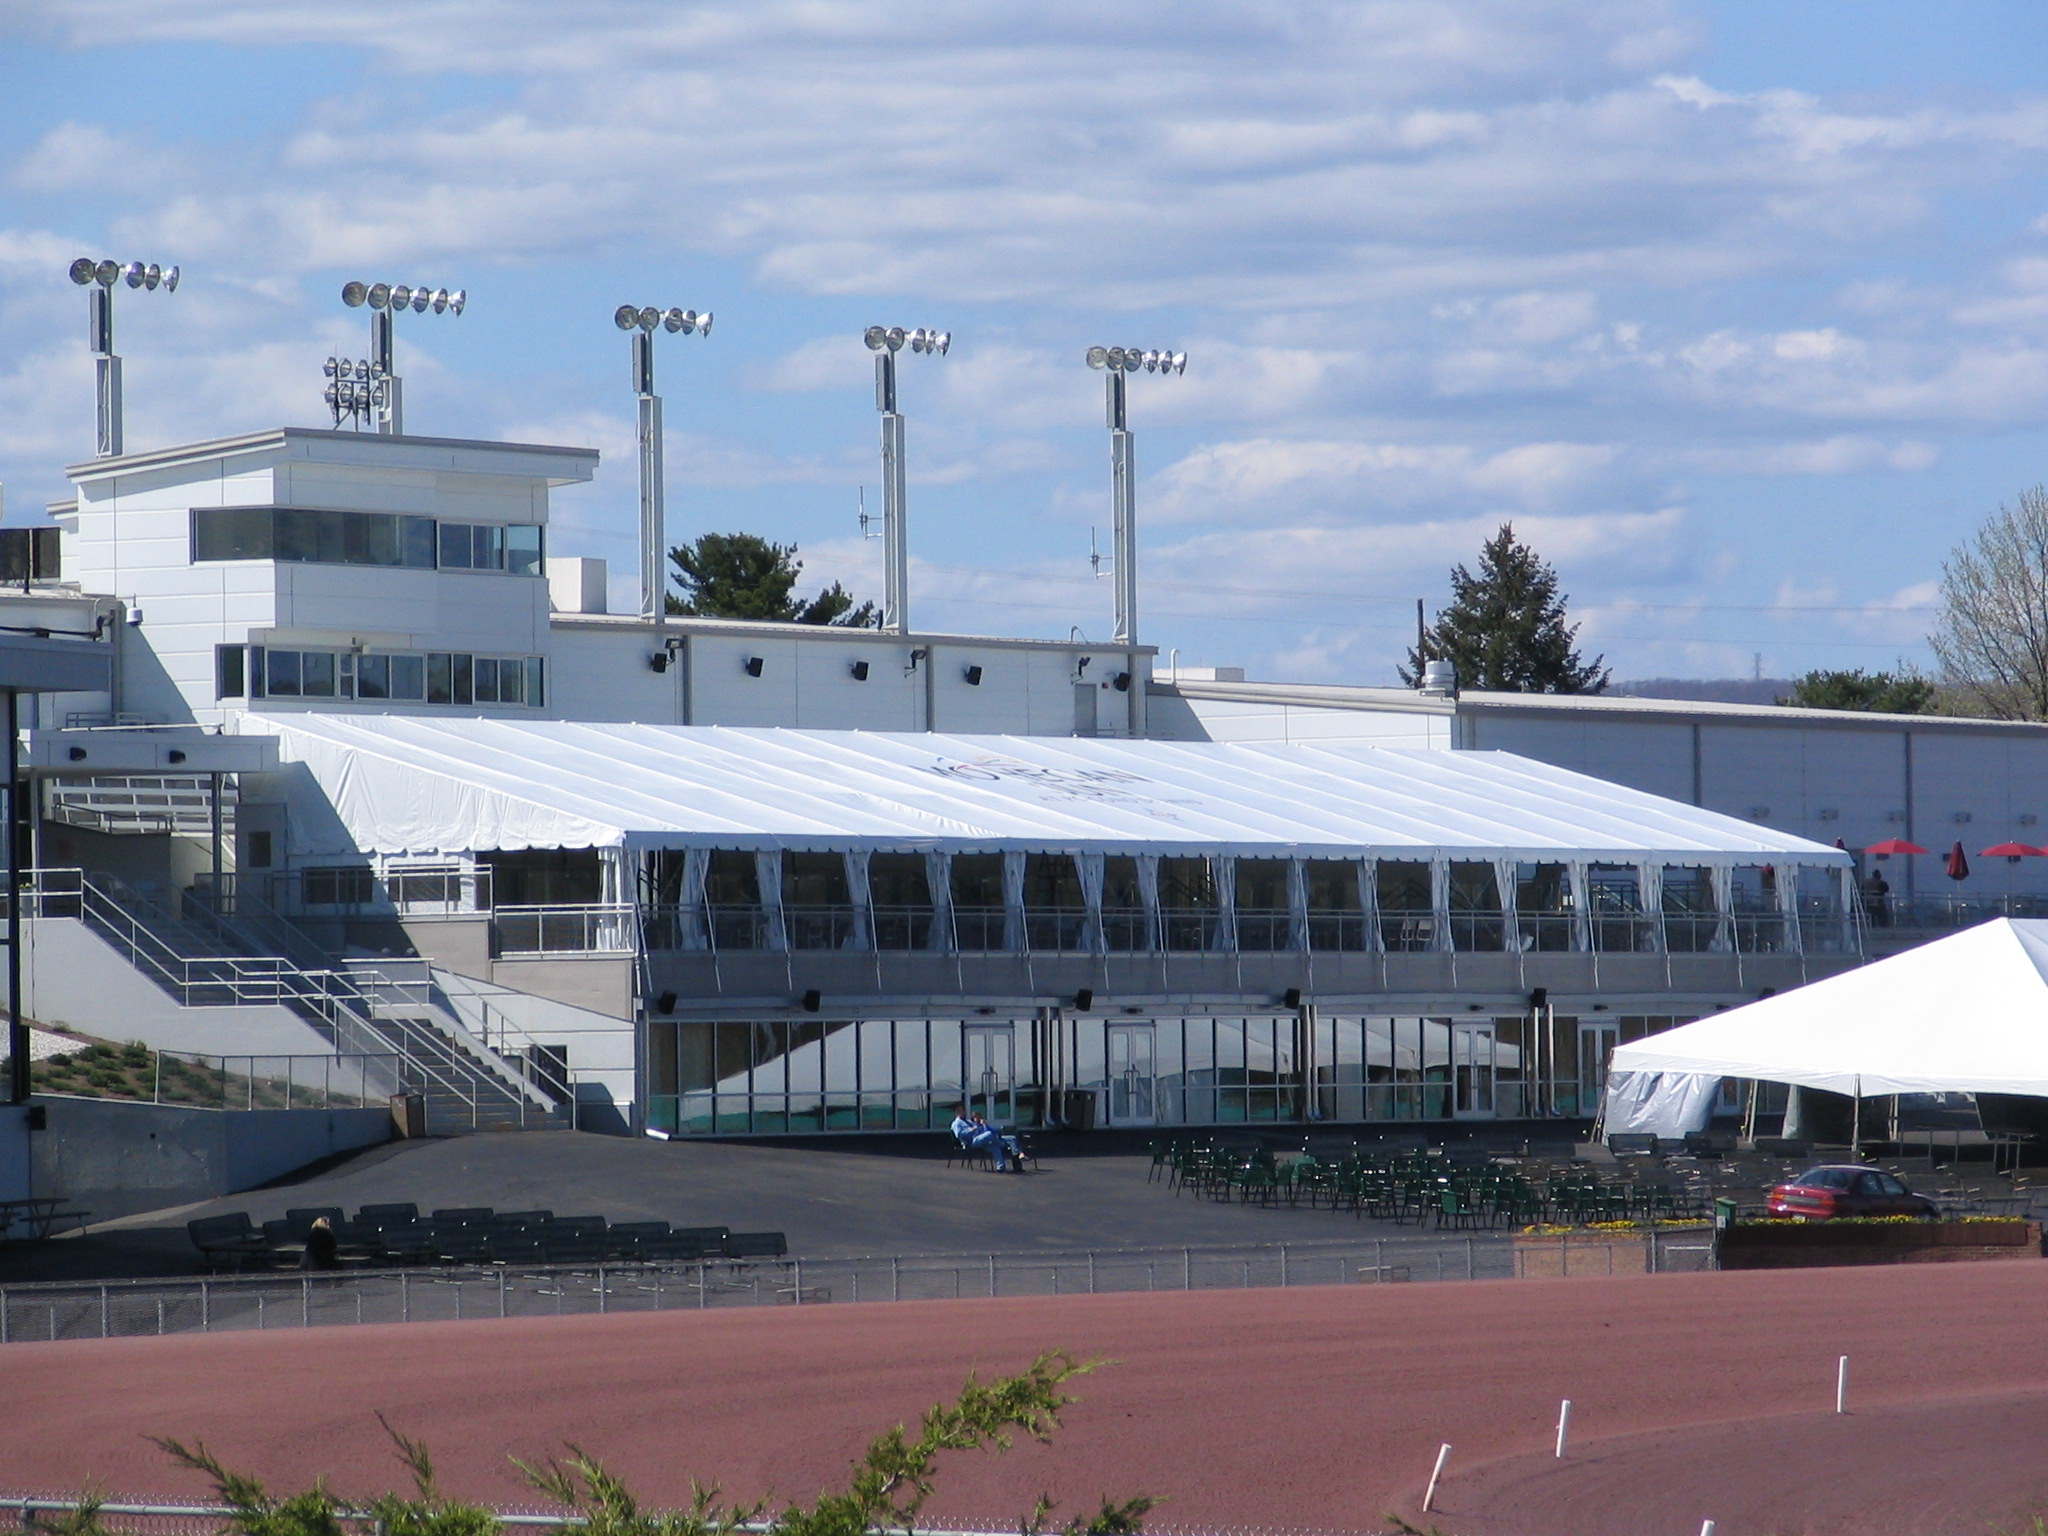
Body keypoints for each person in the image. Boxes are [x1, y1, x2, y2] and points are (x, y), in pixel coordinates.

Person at [949, 1103, 1010, 1171]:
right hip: (970, 1141)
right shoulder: (957, 1123)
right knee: (989, 1134)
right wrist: (971, 1130)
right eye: (961, 1111)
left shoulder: (968, 1121)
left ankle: (1000, 1167)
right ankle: (1003, 1144)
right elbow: (959, 1134)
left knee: (994, 1147)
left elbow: (980, 1130)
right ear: (957, 1113)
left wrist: (983, 1125)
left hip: (979, 1139)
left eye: (963, 1111)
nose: (963, 1113)